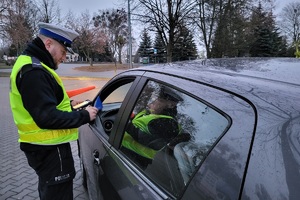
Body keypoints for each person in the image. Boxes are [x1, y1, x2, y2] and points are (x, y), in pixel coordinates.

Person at [9, 22, 98, 200]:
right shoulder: (34, 72)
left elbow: (44, 104)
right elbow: (47, 117)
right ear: (48, 44)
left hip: (44, 149)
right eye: (63, 52)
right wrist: (84, 115)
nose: (64, 58)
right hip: (49, 150)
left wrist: (71, 106)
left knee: (49, 192)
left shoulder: (33, 65)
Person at [121, 86, 186, 168]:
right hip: (123, 151)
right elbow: (140, 124)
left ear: (171, 105)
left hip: (134, 161)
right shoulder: (154, 113)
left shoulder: (167, 124)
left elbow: (141, 135)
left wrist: (123, 122)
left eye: (156, 100)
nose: (150, 104)